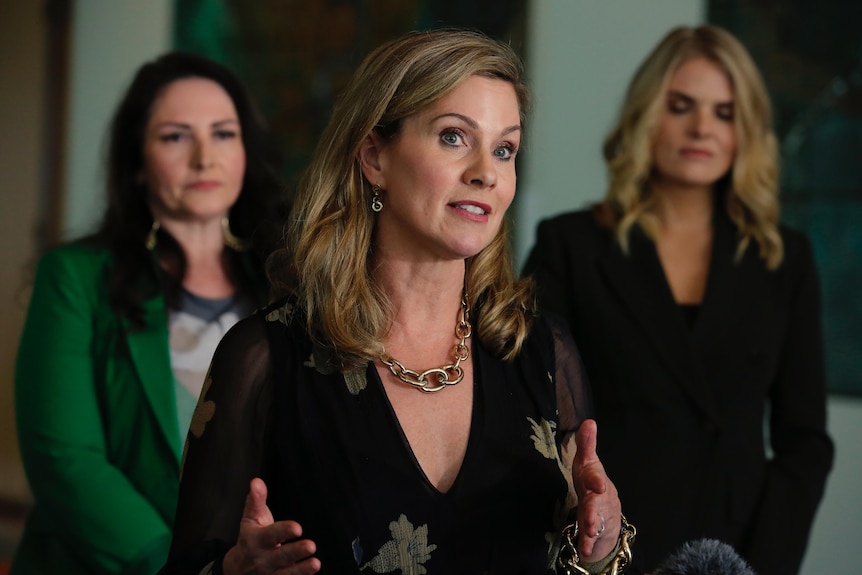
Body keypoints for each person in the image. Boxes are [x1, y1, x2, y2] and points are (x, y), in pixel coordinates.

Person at [160, 29, 637, 575]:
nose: (486, 172)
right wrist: (232, 573)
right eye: (455, 137)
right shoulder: (266, 357)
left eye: (504, 149)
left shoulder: (542, 352)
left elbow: (584, 564)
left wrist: (600, 549)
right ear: (373, 156)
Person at [522, 24, 834, 575]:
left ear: (746, 130)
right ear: (646, 115)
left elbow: (804, 442)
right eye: (681, 105)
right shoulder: (569, 245)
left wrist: (765, 563)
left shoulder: (785, 258)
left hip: (736, 546)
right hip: (602, 542)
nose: (701, 128)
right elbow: (528, 412)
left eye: (724, 112)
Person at [13, 52, 286, 575]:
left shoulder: (289, 280)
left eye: (224, 134)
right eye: (176, 137)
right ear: (137, 162)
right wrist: (186, 569)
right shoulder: (74, 277)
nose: (205, 157)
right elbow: (65, 463)